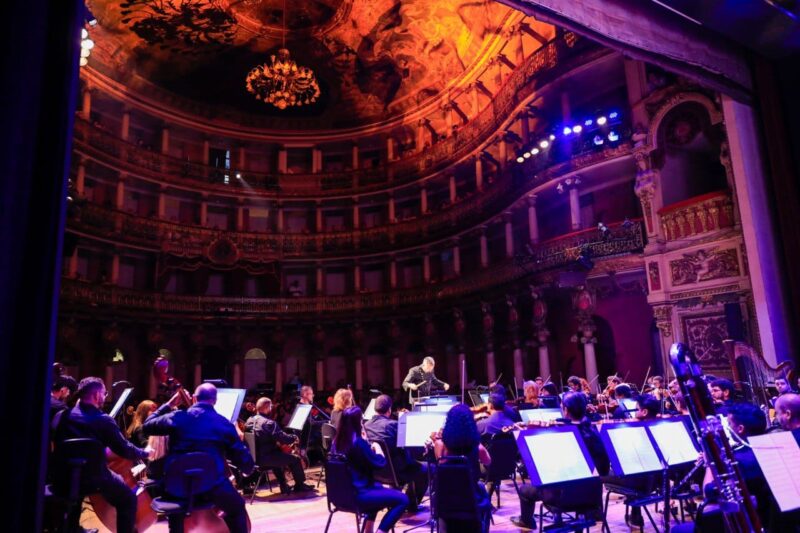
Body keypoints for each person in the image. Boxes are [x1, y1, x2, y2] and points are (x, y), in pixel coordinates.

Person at [143, 383, 254, 533]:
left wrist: (169, 404)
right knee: (237, 508)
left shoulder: (178, 417)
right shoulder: (223, 423)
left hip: (177, 485)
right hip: (212, 486)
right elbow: (245, 462)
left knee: (176, 510)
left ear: (194, 398)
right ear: (215, 401)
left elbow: (147, 425)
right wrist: (247, 466)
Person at [51, 377, 151, 533]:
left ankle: (72, 528)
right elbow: (124, 449)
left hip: (62, 477)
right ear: (97, 395)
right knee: (128, 498)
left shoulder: (61, 416)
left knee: (77, 483)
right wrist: (145, 452)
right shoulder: (104, 420)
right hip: (94, 478)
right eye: (104, 394)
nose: (104, 397)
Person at [511, 392, 610, 529]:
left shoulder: (561, 435)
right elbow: (604, 469)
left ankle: (526, 522)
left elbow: (541, 468)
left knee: (524, 490)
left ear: (566, 410)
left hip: (563, 497)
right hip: (593, 495)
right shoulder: (593, 432)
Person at [332, 406, 408, 533]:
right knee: (403, 499)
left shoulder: (335, 443)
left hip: (339, 497)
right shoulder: (358, 443)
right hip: (358, 496)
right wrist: (378, 449)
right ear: (358, 423)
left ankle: (368, 530)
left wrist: (365, 444)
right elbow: (380, 463)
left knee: (377, 487)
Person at [432, 403, 492, 533]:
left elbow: (441, 466)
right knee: (482, 488)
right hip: (471, 499)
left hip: (446, 499)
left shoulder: (440, 445)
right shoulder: (477, 447)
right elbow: (488, 461)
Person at [364, 395, 429, 511]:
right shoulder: (393, 425)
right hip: (397, 473)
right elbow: (411, 448)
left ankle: (397, 500)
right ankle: (411, 504)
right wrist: (424, 449)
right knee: (427, 469)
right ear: (389, 409)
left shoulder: (366, 425)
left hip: (376, 472)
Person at [245, 397, 314, 494]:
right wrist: (293, 437)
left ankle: (283, 485)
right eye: (270, 406)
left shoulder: (249, 420)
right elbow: (283, 438)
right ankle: (300, 485)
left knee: (277, 455)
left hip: (254, 459)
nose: (272, 408)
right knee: (295, 459)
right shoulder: (268, 423)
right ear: (267, 407)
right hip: (266, 459)